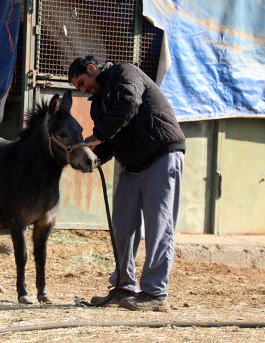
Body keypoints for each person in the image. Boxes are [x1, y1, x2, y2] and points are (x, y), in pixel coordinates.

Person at [68, 55, 185, 312]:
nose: (83, 89)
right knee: (122, 225)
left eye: (82, 82)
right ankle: (124, 286)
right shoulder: (97, 105)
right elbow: (108, 142)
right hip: (132, 166)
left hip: (161, 155)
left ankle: (155, 293)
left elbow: (129, 102)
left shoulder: (125, 72)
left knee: (158, 227)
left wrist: (96, 136)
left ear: (91, 68)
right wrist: (91, 158)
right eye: (79, 88)